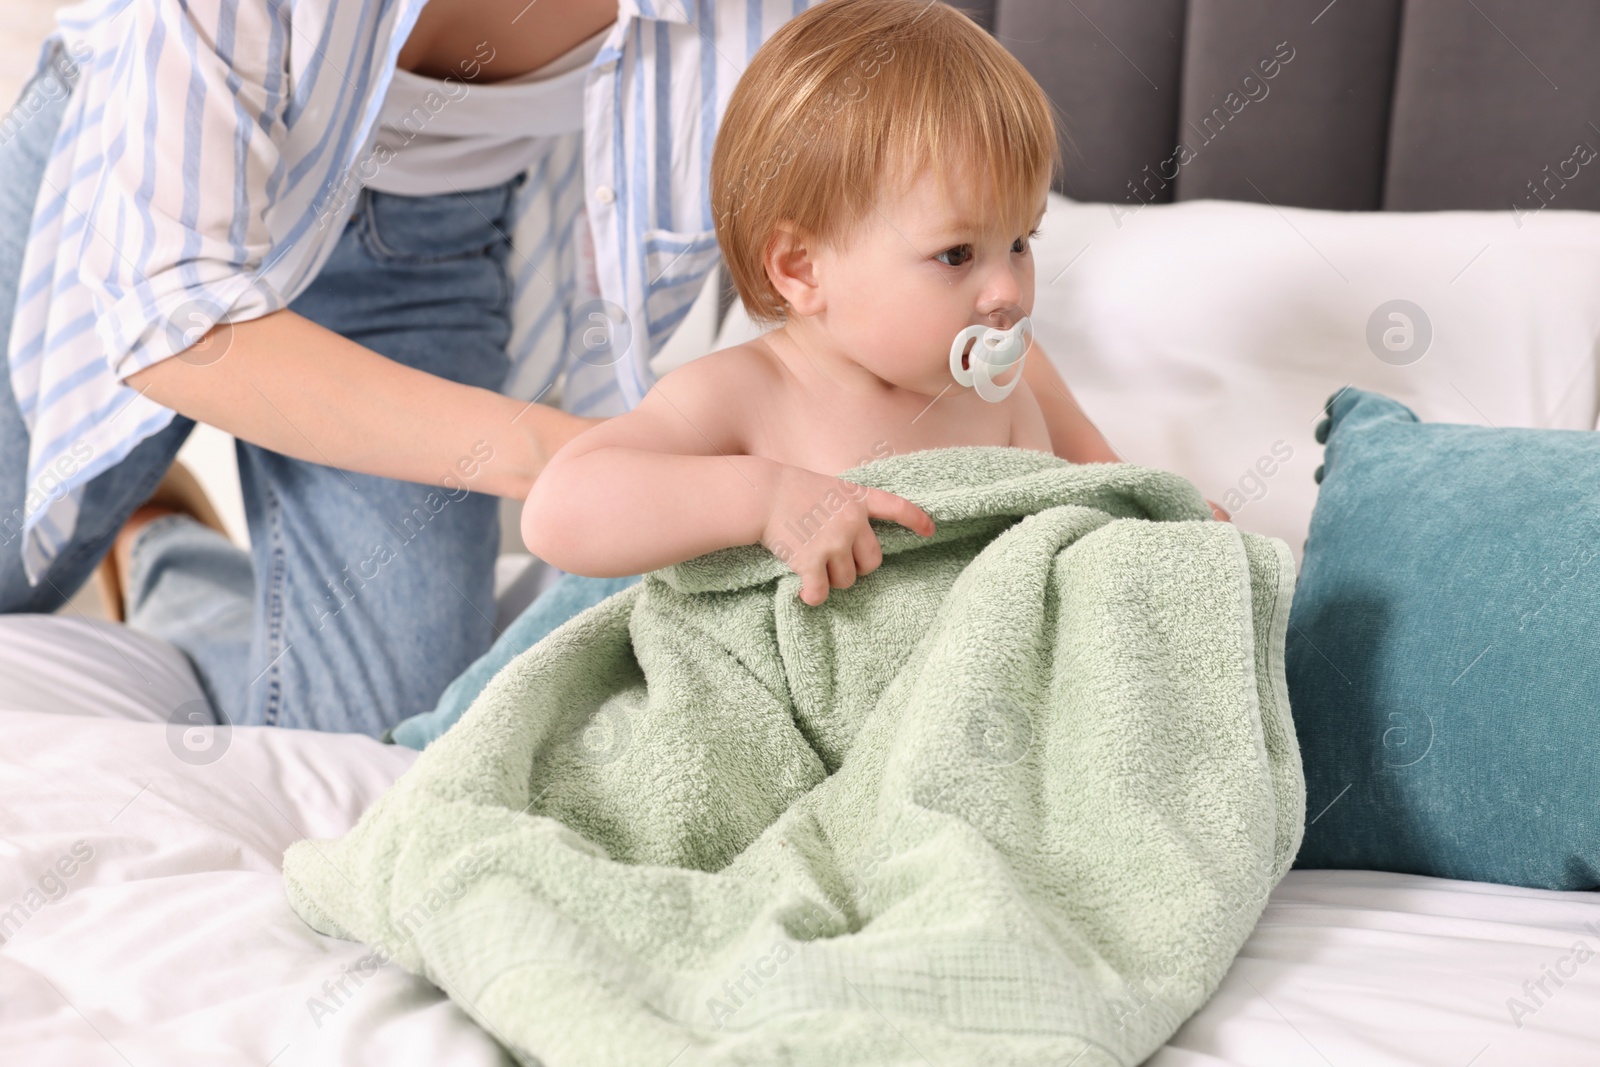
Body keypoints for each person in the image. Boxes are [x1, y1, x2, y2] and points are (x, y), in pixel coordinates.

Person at [0, 0, 838, 736]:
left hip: (420, 245)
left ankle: (162, 539)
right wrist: (584, 461)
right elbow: (167, 303)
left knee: (376, 726)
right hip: (140, 184)